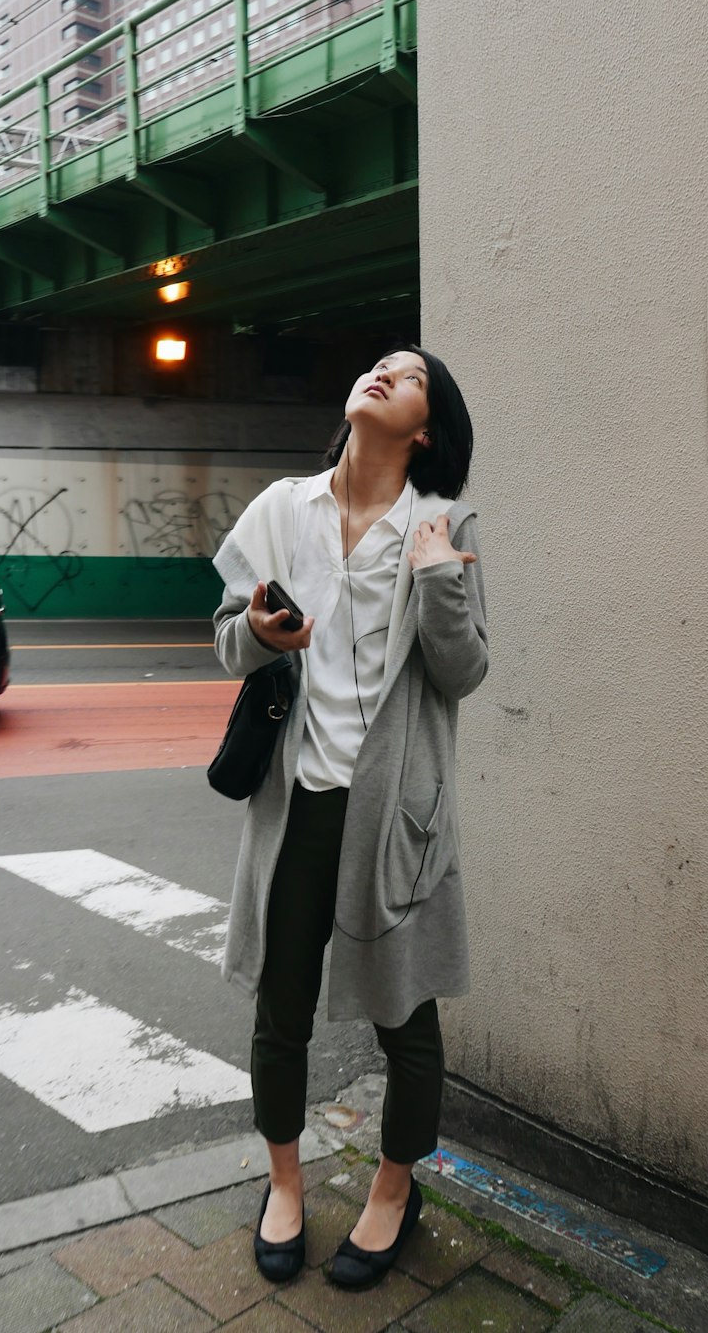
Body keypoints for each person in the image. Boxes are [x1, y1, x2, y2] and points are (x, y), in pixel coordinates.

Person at [212, 344, 488, 1290]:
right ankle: (284, 1184)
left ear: (424, 426)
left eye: (406, 376)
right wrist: (258, 631)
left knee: (405, 1019)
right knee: (278, 1009)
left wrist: (442, 576)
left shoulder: (441, 524)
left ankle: (391, 1190)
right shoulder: (281, 509)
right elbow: (225, 641)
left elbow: (463, 673)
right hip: (298, 807)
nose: (382, 373)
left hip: (394, 816)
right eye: (376, 363)